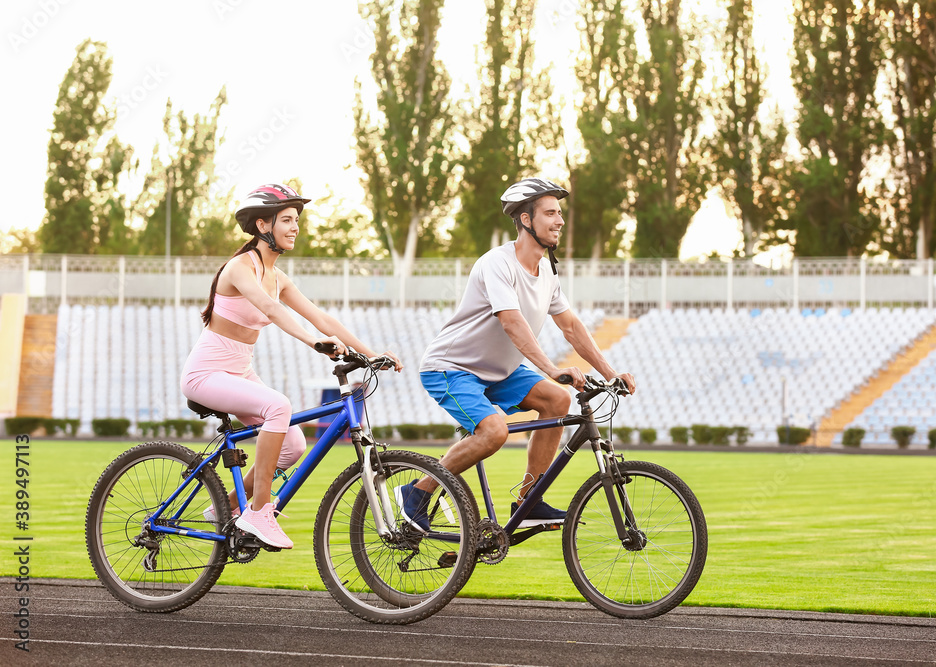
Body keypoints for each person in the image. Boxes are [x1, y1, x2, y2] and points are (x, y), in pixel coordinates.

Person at [398, 177, 636, 531]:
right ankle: (416, 492)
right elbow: (511, 322)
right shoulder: (498, 263)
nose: (559, 221)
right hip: (451, 368)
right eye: (550, 213)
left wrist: (610, 371)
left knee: (557, 400)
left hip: (500, 371)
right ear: (526, 220)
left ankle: (530, 498)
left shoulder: (547, 273)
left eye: (560, 213)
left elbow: (570, 326)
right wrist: (551, 368)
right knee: (494, 433)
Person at [180, 183, 402, 549]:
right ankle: (259, 511)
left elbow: (321, 317)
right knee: (279, 406)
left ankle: (227, 506)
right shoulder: (240, 267)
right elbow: (271, 310)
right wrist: (313, 342)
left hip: (239, 371)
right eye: (286, 220)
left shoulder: (279, 278)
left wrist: (370, 353)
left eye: (296, 220)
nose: (295, 227)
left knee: (293, 445)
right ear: (263, 225)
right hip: (206, 373)